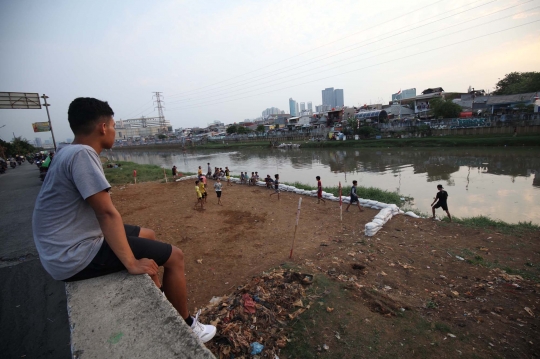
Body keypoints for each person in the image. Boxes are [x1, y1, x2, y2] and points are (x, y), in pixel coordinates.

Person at [32, 97, 215, 343]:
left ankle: (159, 297)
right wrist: (130, 262)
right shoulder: (83, 154)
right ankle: (187, 327)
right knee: (175, 256)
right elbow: (106, 213)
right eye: (115, 126)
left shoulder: (66, 151)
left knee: (147, 233)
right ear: (103, 128)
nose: (116, 132)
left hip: (65, 243)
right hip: (73, 253)